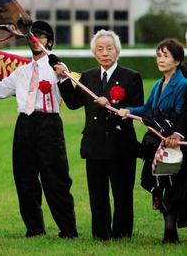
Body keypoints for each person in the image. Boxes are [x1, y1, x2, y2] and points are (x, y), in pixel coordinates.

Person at [0, 20, 78, 239]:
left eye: (42, 36)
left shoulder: (57, 67)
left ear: (50, 42)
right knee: (24, 179)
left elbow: (73, 101)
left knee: (55, 179)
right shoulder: (21, 71)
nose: (36, 38)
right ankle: (34, 228)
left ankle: (68, 229)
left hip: (49, 124)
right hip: (24, 124)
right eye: (33, 35)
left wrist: (63, 77)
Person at [54, 29, 143, 240]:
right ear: (94, 52)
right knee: (97, 195)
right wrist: (63, 80)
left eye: (109, 48)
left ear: (117, 51)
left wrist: (112, 104)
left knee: (122, 194)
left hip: (121, 146)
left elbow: (138, 108)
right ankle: (101, 234)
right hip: (94, 145)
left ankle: (122, 233)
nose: (105, 53)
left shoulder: (131, 77)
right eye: (100, 49)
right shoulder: (88, 76)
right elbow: (74, 103)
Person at [117, 38, 187, 243]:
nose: (161, 60)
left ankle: (170, 232)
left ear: (177, 61)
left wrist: (174, 134)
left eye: (166, 56)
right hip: (156, 144)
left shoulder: (183, 84)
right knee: (160, 186)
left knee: (172, 186)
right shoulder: (158, 84)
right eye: (159, 55)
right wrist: (129, 110)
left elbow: (180, 112)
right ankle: (169, 230)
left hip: (173, 145)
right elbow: (147, 109)